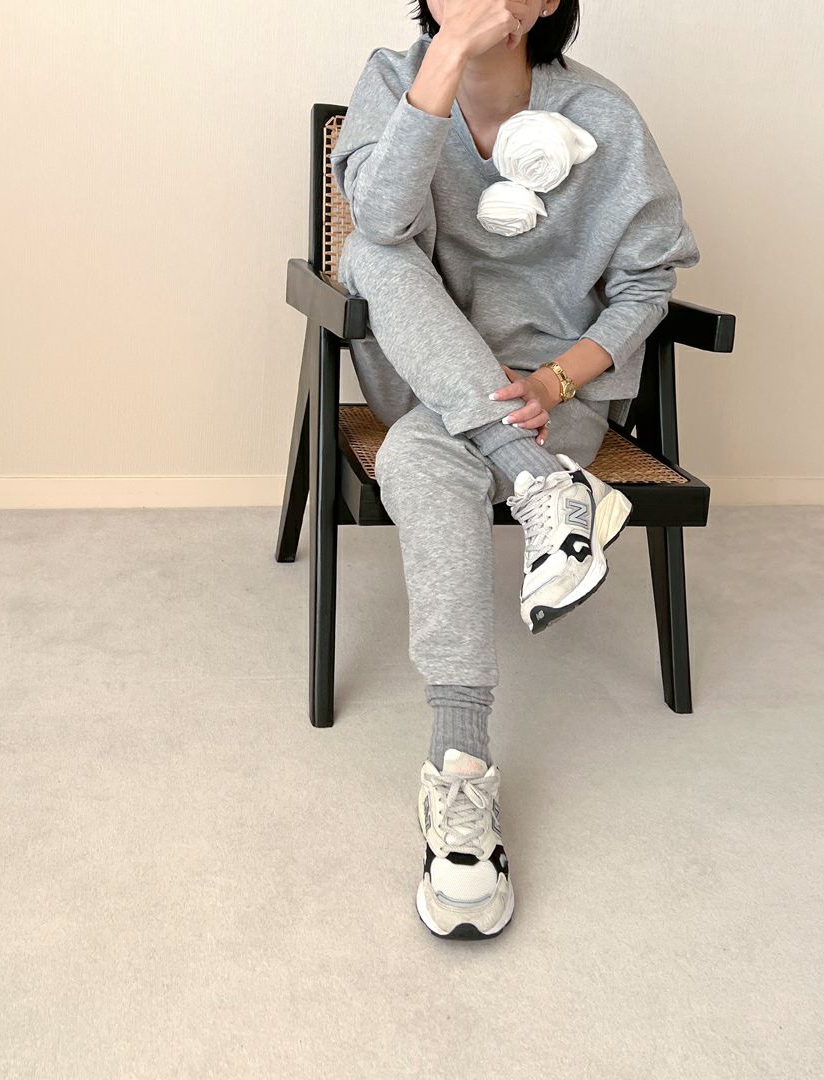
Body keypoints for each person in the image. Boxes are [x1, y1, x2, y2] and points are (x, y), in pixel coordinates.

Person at [330, 0, 701, 939]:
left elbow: (648, 280)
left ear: (547, 1)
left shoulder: (603, 116)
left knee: (420, 459)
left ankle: (459, 767)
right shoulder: (392, 79)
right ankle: (540, 485)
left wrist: (556, 378)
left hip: (548, 399)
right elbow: (380, 216)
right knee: (373, 248)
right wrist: (446, 56)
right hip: (422, 379)